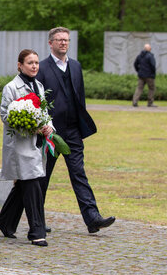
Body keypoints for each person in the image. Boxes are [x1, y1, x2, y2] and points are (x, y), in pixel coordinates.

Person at [36, 27, 115, 234]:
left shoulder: (76, 66)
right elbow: (37, 101)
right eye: (59, 40)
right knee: (43, 177)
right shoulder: (41, 68)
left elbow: (80, 98)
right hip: (50, 133)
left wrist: (81, 127)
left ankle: (93, 218)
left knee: (79, 174)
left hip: (72, 131)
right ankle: (37, 220)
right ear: (50, 43)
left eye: (66, 40)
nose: (63, 43)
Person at [0, 49, 51, 246]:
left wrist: (48, 127)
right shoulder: (11, 87)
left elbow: (44, 112)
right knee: (33, 184)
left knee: (25, 184)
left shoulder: (39, 86)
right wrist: (30, 125)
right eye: (29, 63)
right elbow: (5, 115)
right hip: (20, 144)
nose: (34, 66)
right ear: (20, 65)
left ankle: (5, 222)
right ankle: (37, 231)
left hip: (37, 144)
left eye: (36, 62)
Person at [132, 43, 157, 107]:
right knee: (151, 88)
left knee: (139, 88)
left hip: (141, 75)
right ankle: (150, 103)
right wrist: (153, 73)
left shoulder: (139, 56)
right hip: (149, 76)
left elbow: (135, 64)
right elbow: (153, 65)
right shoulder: (150, 56)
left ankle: (135, 101)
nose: (151, 48)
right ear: (148, 49)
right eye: (150, 47)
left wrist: (138, 71)